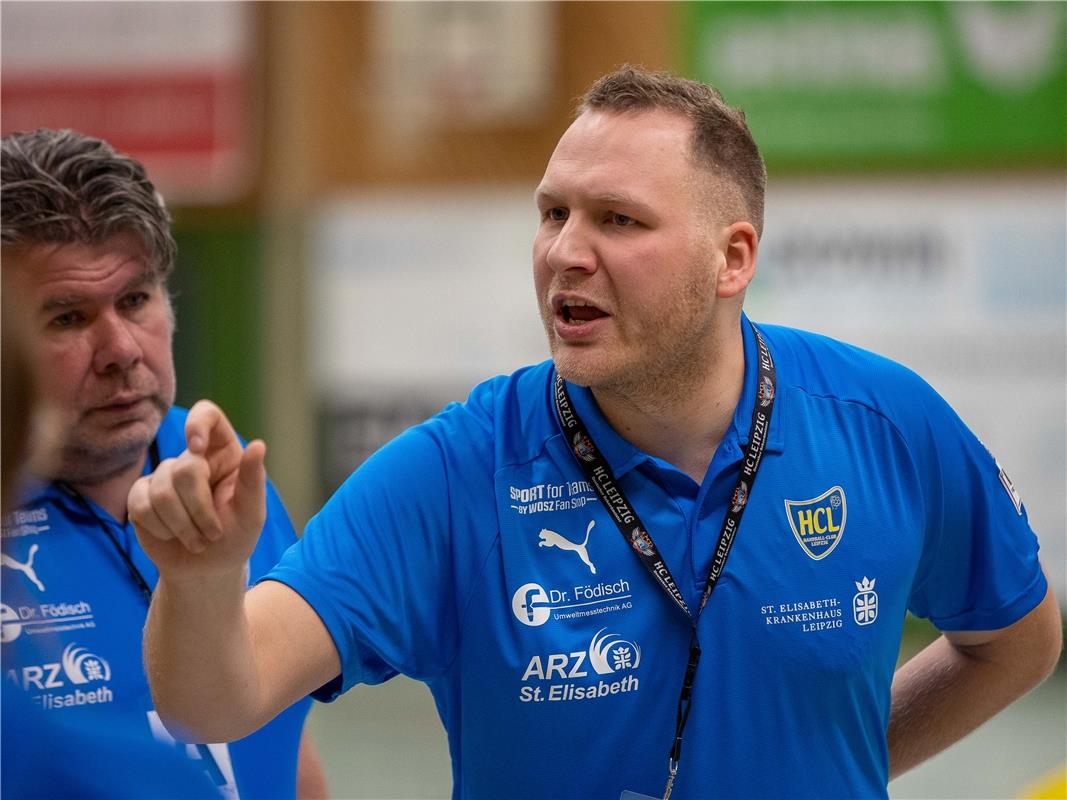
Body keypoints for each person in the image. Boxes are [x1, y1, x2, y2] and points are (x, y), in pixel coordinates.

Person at [129, 68, 1062, 800]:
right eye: (552, 213)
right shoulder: (456, 473)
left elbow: (1015, 640)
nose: (566, 252)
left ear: (731, 257)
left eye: (618, 220)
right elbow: (218, 697)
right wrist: (203, 580)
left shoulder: (882, 424)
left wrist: (841, 768)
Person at [1, 129, 328, 800]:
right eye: (67, 318)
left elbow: (283, 736)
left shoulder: (226, 473)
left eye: (136, 299)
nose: (120, 348)